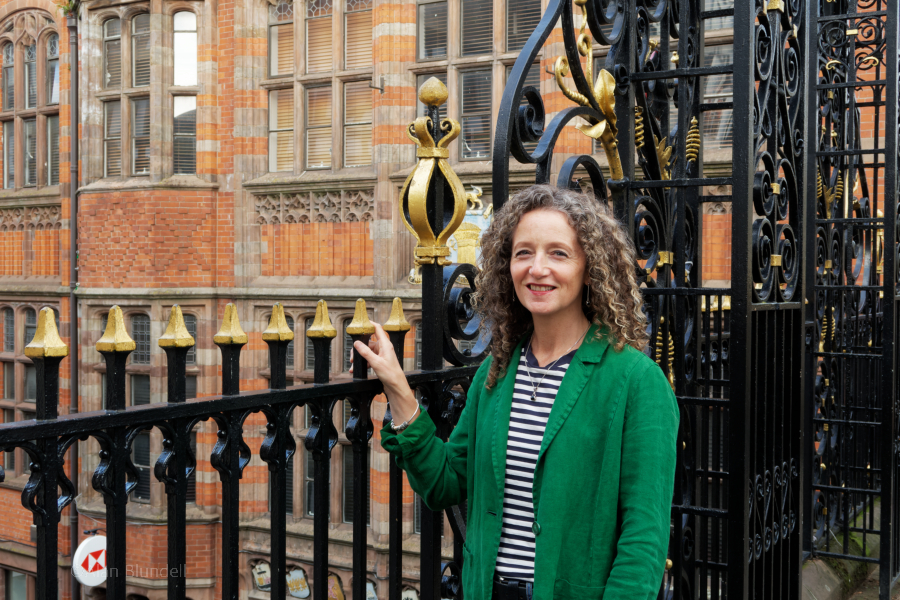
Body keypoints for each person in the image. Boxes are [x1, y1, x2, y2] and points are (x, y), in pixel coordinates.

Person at [353, 185, 679, 600]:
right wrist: (398, 388)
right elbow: (445, 482)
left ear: (590, 268)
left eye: (558, 253)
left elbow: (643, 541)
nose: (537, 268)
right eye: (524, 252)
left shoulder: (637, 381)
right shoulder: (497, 372)